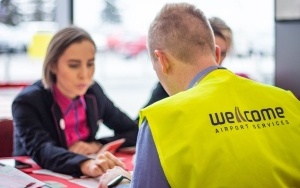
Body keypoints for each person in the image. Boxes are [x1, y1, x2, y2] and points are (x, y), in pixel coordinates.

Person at [99, 2, 300, 188]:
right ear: (217, 54)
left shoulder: (161, 120)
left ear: (162, 60)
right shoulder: (288, 101)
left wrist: (119, 181)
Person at [12, 26, 138, 177]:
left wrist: (96, 145)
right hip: (36, 177)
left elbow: (133, 131)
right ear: (52, 65)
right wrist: (86, 164)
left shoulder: (93, 92)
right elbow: (42, 149)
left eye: (90, 64)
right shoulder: (27, 101)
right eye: (73, 65)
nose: (85, 75)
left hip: (82, 176)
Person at [136, 16, 247, 123]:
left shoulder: (235, 85)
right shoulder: (171, 85)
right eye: (209, 52)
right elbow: (141, 126)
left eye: (222, 53)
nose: (216, 60)